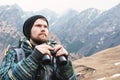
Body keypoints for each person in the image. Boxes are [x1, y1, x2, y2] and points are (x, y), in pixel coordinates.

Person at [0, 15, 77, 80]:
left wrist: (65, 65)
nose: (43, 29)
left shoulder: (55, 54)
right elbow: (4, 78)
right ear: (29, 30)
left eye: (45, 27)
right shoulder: (15, 53)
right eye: (38, 26)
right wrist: (33, 58)